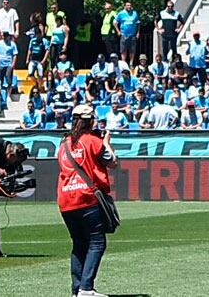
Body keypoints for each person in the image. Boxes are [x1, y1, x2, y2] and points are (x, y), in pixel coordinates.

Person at [57, 104, 117, 297]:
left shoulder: (64, 143)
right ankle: (86, 288)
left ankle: (77, 289)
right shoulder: (93, 141)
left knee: (79, 243)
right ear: (90, 121)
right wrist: (106, 142)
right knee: (97, 242)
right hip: (87, 196)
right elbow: (112, 162)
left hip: (66, 198)